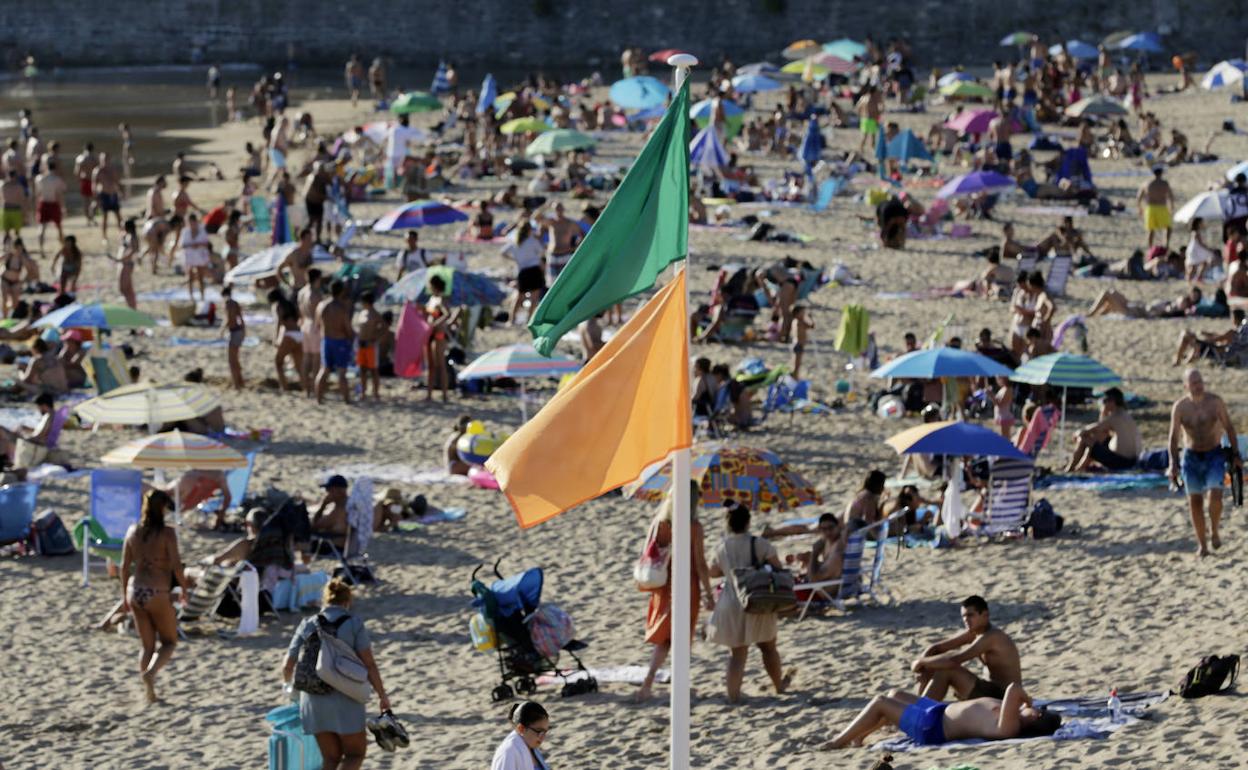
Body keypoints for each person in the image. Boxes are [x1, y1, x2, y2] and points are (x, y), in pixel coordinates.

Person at [282, 578, 391, 770]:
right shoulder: (354, 623)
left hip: (313, 700)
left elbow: (288, 665)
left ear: (325, 601)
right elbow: (370, 664)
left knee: (331, 759)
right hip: (346, 698)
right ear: (347, 602)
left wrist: (289, 689)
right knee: (355, 754)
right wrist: (382, 696)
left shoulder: (307, 624)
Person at [705, 502, 794, 704]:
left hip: (731, 601)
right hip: (757, 598)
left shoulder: (722, 547)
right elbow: (777, 568)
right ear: (748, 522)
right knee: (768, 647)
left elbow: (713, 572)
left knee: (737, 654)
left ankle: (733, 696)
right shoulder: (760, 544)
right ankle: (778, 685)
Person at [636, 483, 714, 702]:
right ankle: (677, 687)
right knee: (680, 638)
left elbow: (648, 553)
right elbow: (700, 564)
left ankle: (648, 683)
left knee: (665, 639)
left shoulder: (660, 523)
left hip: (663, 584)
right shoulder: (693, 527)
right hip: (687, 585)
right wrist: (709, 593)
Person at [824, 682, 1058, 749]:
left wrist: (1028, 701)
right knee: (895, 694)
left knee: (880, 702)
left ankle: (839, 741)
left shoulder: (1011, 726)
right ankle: (859, 736)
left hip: (932, 726)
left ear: (1035, 716)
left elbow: (1013, 688)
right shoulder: (1012, 715)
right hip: (936, 710)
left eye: (1037, 710)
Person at [120, 490, 189, 704]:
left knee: (147, 646)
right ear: (162, 508)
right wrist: (184, 589)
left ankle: (149, 693)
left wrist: (124, 596)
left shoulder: (133, 531)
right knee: (169, 642)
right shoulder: (167, 533)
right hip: (157, 590)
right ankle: (150, 674)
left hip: (136, 590)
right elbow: (176, 565)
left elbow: (124, 567)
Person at [1168, 368, 1240, 557]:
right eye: (1193, 383)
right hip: (1191, 457)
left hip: (1214, 454)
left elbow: (1230, 427)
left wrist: (1236, 454)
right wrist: (1172, 463)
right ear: (1186, 386)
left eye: (1200, 382)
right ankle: (1203, 545)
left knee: (1216, 497)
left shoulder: (1215, 402)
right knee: (1195, 501)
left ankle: (1214, 530)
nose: (1198, 386)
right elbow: (1173, 438)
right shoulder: (1180, 407)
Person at [912, 595, 1024, 702]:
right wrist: (922, 666)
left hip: (1003, 696)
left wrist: (921, 662)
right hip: (988, 689)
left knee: (945, 669)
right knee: (930, 665)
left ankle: (920, 711)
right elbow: (937, 648)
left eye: (970, 615)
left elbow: (953, 660)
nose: (966, 620)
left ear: (985, 615)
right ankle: (918, 706)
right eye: (963, 616)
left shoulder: (992, 636)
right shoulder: (975, 632)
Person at [1066, 388, 1143, 472]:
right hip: (1132, 460)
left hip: (1121, 462)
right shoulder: (1125, 415)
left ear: (1112, 402)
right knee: (1098, 437)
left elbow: (1087, 431)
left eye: (1104, 401)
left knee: (1084, 439)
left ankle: (1070, 469)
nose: (1103, 404)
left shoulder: (1114, 417)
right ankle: (1080, 467)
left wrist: (1077, 433)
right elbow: (1101, 430)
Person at [315, 279, 354, 405]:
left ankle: (319, 399)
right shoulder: (341, 308)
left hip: (326, 340)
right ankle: (347, 400)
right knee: (342, 373)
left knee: (324, 370)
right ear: (341, 291)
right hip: (339, 341)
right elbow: (347, 327)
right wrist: (352, 338)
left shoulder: (321, 305)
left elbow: (317, 325)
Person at [425, 274, 461, 402]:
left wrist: (435, 323)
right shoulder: (432, 299)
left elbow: (447, 314)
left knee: (441, 365)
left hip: (439, 335)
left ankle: (445, 395)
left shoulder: (441, 299)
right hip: (430, 334)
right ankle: (429, 394)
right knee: (431, 366)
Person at [501, 220, 544, 324]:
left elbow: (503, 252)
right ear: (529, 230)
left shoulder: (515, 241)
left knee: (518, 297)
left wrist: (514, 259)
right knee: (534, 297)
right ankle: (529, 320)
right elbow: (541, 253)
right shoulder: (532, 240)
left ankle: (511, 320)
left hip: (522, 271)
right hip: (534, 270)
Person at [490, 700, 551, 770]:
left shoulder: (530, 746)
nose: (543, 737)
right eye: (539, 731)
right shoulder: (508, 752)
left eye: (545, 732)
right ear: (521, 728)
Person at [1174, 309, 1248, 364]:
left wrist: (1202, 339)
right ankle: (1186, 359)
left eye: (1232, 317)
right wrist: (1208, 334)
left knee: (1186, 335)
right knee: (1191, 339)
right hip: (1216, 350)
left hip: (1215, 351)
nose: (1231, 319)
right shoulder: (1238, 333)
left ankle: (1178, 360)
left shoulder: (1232, 333)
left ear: (1235, 319)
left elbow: (1217, 339)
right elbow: (1221, 337)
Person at [268, 287, 303, 392]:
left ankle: (284, 387)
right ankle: (306, 387)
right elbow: (299, 317)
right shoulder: (289, 304)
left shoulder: (277, 305)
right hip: (299, 333)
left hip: (289, 335)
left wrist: (276, 338)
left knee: (278, 362)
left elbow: (279, 322)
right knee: (299, 366)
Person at [538, 202, 581, 283]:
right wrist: (545, 206)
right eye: (556, 209)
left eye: (560, 208)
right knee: (552, 282)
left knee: (567, 280)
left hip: (565, 253)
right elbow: (535, 217)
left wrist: (575, 248)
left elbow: (582, 235)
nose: (558, 210)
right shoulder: (551, 222)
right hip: (553, 255)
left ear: (563, 209)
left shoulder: (569, 222)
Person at [33, 158, 65, 257]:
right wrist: (63, 207)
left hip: (43, 203)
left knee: (42, 227)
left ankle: (41, 250)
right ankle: (63, 247)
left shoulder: (39, 178)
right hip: (53, 203)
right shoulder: (57, 179)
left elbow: (37, 194)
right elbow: (59, 194)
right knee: (59, 227)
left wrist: (36, 206)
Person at [1137, 165, 1174, 250]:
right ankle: (1166, 244)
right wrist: (1171, 207)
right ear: (1161, 173)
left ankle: (1150, 247)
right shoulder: (1164, 183)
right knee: (1168, 227)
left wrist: (1140, 208)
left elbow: (1139, 197)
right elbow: (1171, 196)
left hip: (1151, 208)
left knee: (1151, 230)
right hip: (1162, 207)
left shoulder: (1147, 184)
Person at [354, 291, 382, 401]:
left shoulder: (375, 314)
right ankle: (363, 393)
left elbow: (383, 327)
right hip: (361, 344)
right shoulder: (362, 312)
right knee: (362, 369)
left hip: (371, 345)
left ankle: (376, 393)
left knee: (373, 370)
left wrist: (375, 339)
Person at [311, 474, 350, 549]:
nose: (327, 493)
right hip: (345, 547)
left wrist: (323, 505)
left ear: (340, 490)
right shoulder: (349, 504)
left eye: (329, 490)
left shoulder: (340, 509)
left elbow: (314, 525)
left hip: (333, 547)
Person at [92, 151, 123, 242]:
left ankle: (122, 234)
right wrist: (95, 198)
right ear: (100, 159)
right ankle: (104, 237)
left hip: (113, 194)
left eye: (107, 159)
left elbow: (117, 181)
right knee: (104, 217)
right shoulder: (97, 170)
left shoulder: (113, 169)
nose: (105, 161)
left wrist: (122, 191)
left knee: (118, 216)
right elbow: (94, 185)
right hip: (103, 194)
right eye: (103, 159)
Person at [220, 285, 245, 390]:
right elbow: (241, 318)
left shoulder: (228, 303)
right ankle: (241, 381)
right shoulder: (235, 303)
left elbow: (229, 319)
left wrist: (222, 329)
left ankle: (236, 385)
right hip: (240, 330)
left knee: (232, 360)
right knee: (236, 358)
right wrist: (244, 332)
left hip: (234, 332)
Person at [1185, 218, 1218, 284]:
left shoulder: (1196, 232)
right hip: (1195, 250)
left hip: (1196, 250)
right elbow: (1200, 243)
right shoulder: (1196, 232)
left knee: (1202, 263)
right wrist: (1208, 248)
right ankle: (1191, 279)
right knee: (1194, 266)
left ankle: (1197, 277)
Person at [790, 304, 814, 378]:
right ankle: (795, 378)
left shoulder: (795, 321)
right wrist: (810, 318)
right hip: (799, 345)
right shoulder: (800, 322)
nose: (804, 314)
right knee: (797, 365)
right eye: (802, 312)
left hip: (797, 344)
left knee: (796, 364)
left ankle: (795, 377)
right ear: (797, 314)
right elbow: (812, 326)